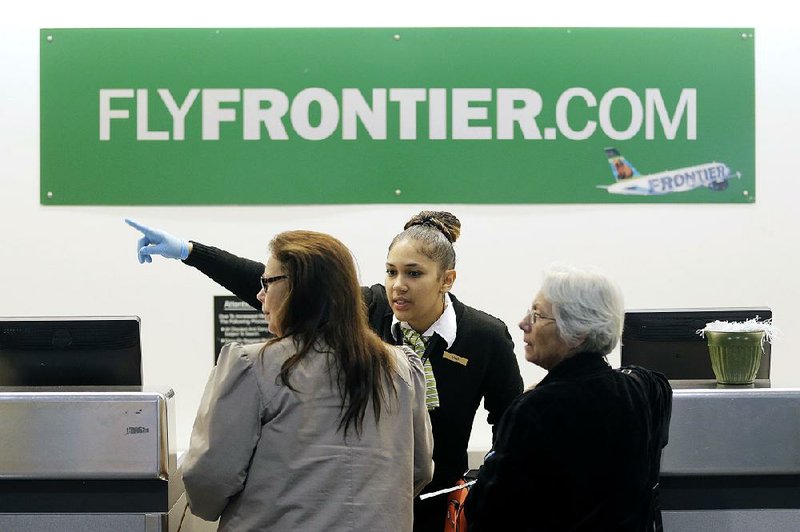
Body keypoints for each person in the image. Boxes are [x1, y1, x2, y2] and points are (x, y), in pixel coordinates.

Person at [126, 212, 524, 531]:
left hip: (426, 502)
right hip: (375, 502)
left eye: (413, 273)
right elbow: (277, 284)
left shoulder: (482, 336)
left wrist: (483, 481)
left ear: (446, 280)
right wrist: (190, 251)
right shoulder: (368, 310)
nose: (397, 286)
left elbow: (508, 421)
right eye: (390, 271)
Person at [180, 230, 433, 531]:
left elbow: (210, 478)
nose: (260, 295)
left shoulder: (253, 366)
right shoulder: (403, 368)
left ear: (297, 288)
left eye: (266, 282)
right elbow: (418, 469)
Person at [464, 264, 672, 532]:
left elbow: (486, 513)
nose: (523, 323)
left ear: (579, 332)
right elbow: (656, 382)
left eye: (537, 315)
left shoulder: (534, 410)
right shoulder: (643, 389)